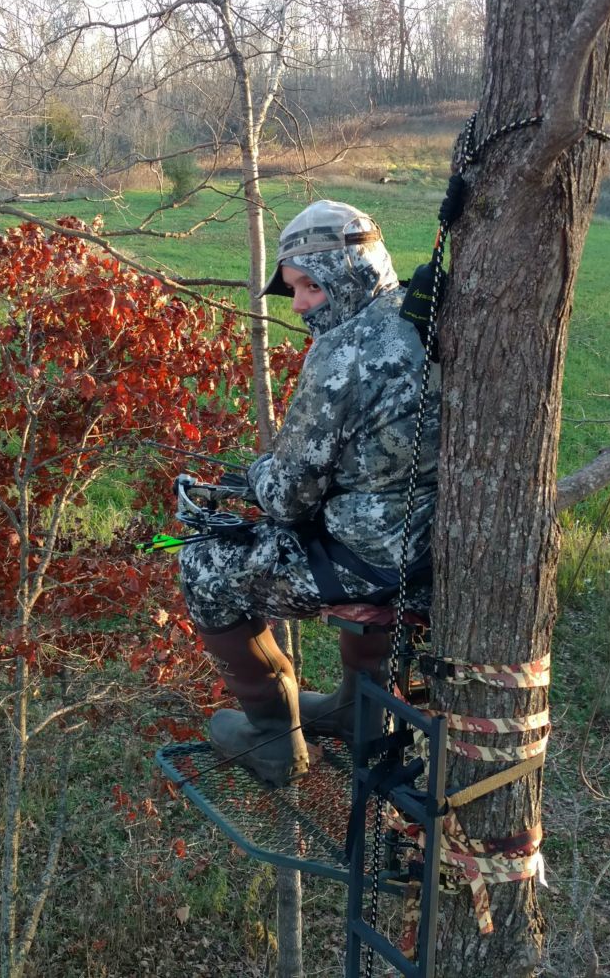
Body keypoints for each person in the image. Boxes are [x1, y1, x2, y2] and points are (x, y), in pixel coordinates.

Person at [179, 199, 440, 785]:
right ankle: (354, 707)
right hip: (428, 547)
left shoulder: (342, 353)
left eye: (309, 289)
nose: (298, 306)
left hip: (368, 561)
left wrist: (254, 475)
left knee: (202, 565)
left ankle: (272, 739)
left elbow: (290, 495)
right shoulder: (419, 317)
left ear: (348, 276)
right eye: (293, 289)